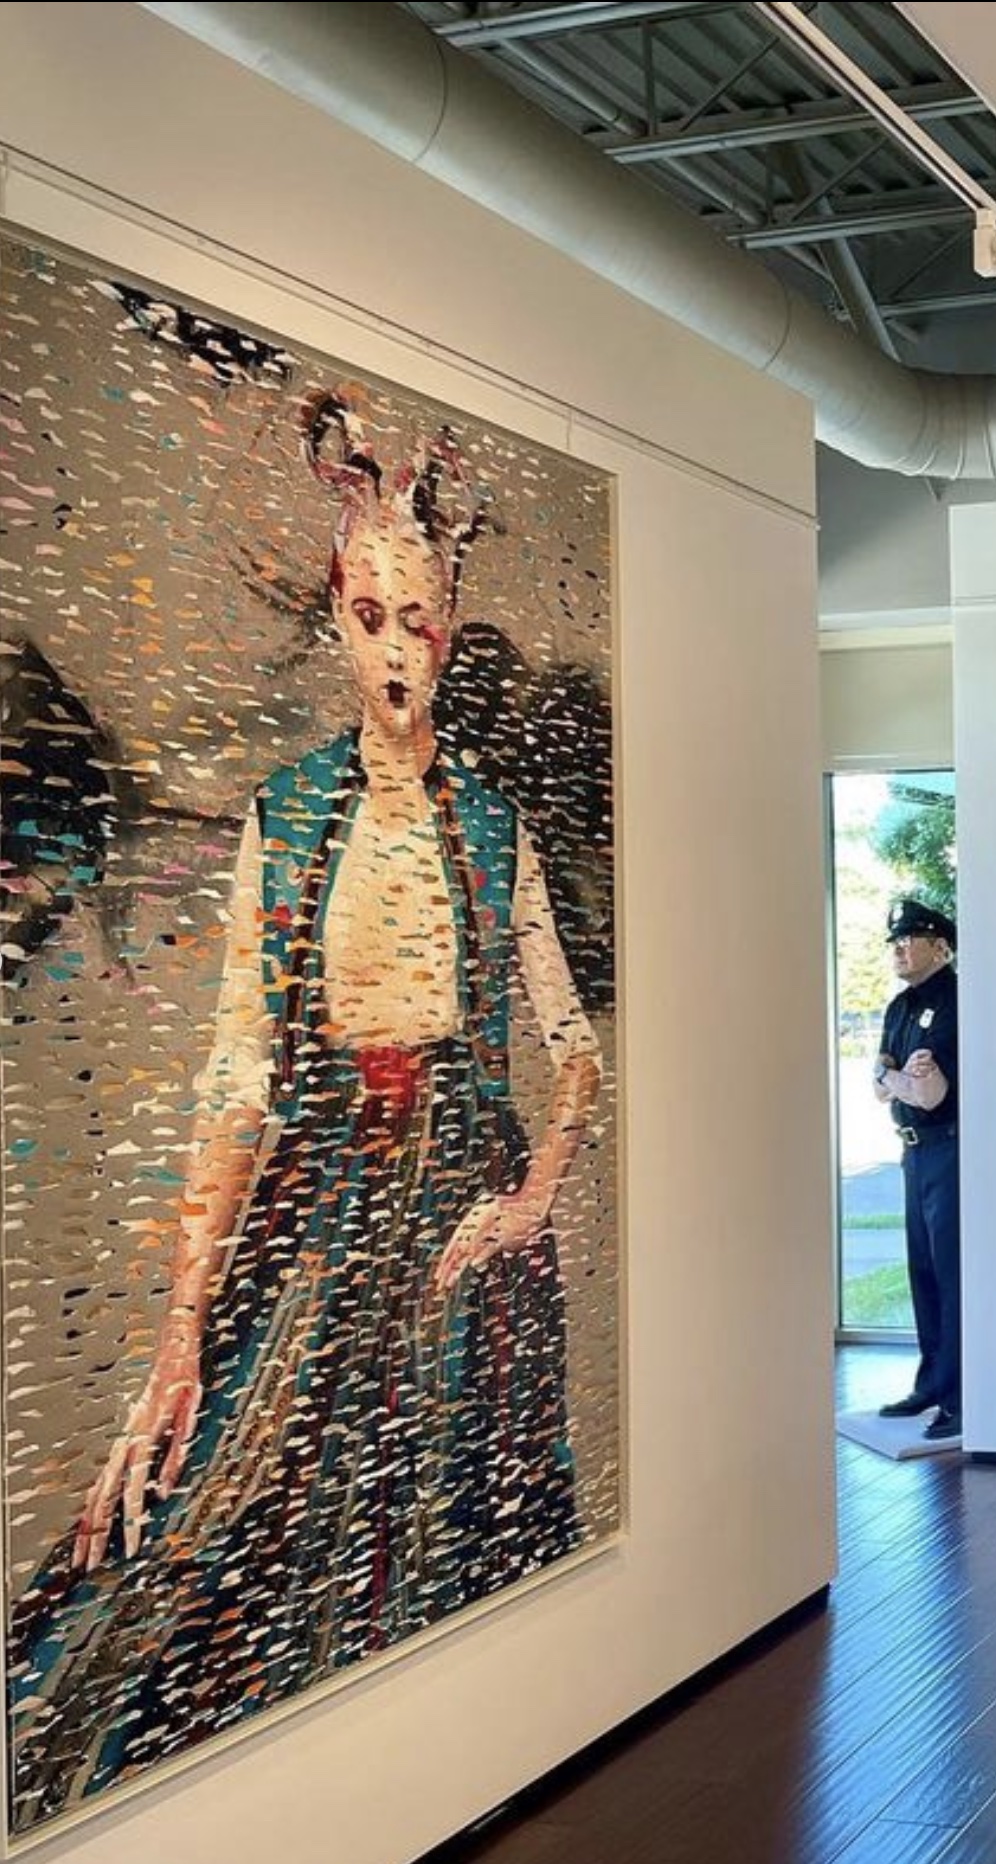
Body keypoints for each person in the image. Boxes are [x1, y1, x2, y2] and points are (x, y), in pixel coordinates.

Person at [6, 393, 605, 1831]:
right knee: (223, 1506)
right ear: (339, 618)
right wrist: (176, 1337)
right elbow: (237, 1078)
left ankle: (473, 1768)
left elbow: (573, 1051)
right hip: (320, 1210)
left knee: (457, 1514)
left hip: (466, 1221)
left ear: (447, 631)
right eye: (371, 615)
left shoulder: (493, 827)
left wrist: (527, 1202)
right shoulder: (287, 817)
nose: (396, 650)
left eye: (420, 620)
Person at [871, 898, 963, 1441]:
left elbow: (931, 1094)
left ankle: (959, 1395)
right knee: (922, 1272)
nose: (900, 949)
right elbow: (880, 1084)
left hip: (948, 1148)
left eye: (910, 940)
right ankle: (930, 1382)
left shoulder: (955, 1000)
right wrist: (896, 1077)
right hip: (913, 1151)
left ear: (941, 947)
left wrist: (896, 1079)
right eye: (896, 942)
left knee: (951, 1273)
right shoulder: (899, 1008)